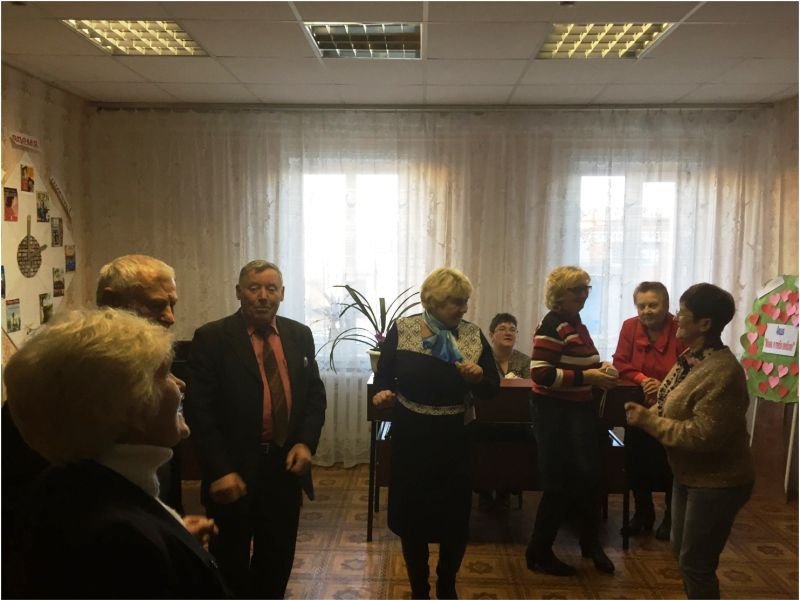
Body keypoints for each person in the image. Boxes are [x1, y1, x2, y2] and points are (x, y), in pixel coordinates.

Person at [4, 308, 231, 598]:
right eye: (164, 374)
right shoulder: (116, 539)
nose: (180, 384)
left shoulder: (73, 481)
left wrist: (172, 530)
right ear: (122, 405)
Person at [185, 260, 327, 599]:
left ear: (282, 294)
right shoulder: (212, 338)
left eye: (271, 288)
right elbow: (200, 412)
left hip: (284, 469)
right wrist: (220, 470)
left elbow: (314, 396)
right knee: (229, 563)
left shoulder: (299, 335)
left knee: (276, 560)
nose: (263, 296)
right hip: (233, 472)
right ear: (239, 292)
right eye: (254, 288)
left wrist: (305, 443)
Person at [372, 267, 500, 599]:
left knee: (453, 519)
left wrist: (478, 379)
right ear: (432, 301)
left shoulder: (472, 335)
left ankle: (447, 584)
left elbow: (492, 387)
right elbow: (384, 377)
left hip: (455, 441)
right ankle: (419, 589)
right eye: (455, 302)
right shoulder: (403, 329)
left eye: (465, 301)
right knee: (412, 518)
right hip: (411, 439)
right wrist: (382, 393)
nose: (463, 309)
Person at [625, 283, 754, 599]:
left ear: (704, 324)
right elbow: (669, 400)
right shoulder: (691, 358)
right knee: (682, 553)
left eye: (682, 313)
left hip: (718, 482)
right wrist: (648, 413)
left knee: (696, 565)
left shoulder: (723, 371)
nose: (675, 318)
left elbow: (701, 435)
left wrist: (649, 422)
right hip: (688, 475)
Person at [526, 266, 618, 576]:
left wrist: (601, 366)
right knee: (558, 483)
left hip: (578, 410)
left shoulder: (576, 324)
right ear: (558, 295)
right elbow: (540, 374)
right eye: (576, 290)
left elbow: (580, 361)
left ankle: (590, 544)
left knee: (590, 479)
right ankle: (539, 551)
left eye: (585, 289)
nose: (583, 295)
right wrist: (589, 376)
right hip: (554, 413)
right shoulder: (552, 325)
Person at [613, 281, 686, 540]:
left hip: (674, 408)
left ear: (666, 305)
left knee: (670, 464)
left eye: (653, 305)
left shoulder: (679, 328)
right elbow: (620, 362)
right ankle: (643, 513)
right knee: (636, 462)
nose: (646, 311)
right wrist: (643, 379)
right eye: (641, 306)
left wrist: (663, 385)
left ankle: (671, 517)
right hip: (640, 405)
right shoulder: (629, 327)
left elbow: (689, 366)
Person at [478, 312, 531, 512]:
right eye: (502, 329)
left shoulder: (525, 361)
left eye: (512, 329)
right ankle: (483, 489)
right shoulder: (482, 360)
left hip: (516, 421)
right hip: (486, 419)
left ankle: (506, 489)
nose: (508, 332)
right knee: (481, 439)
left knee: (517, 441)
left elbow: (530, 393)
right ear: (492, 335)